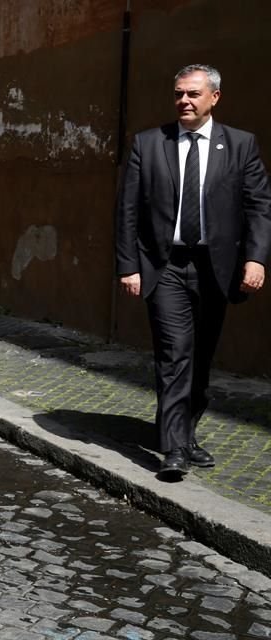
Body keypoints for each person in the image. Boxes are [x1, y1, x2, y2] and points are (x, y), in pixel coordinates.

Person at [116, 64, 271, 479]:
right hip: (165, 265)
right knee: (174, 352)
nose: (184, 101)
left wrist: (256, 259)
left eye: (193, 94)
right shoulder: (150, 144)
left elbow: (259, 206)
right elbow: (127, 210)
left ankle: (186, 434)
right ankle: (173, 451)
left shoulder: (240, 145)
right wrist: (129, 266)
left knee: (201, 357)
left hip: (214, 267)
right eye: (179, 93)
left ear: (214, 98)